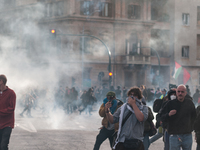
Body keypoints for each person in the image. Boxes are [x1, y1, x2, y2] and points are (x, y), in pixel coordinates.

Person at [160, 84, 196, 150]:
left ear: (185, 93)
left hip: (187, 135)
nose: (180, 93)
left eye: (182, 92)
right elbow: (161, 116)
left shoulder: (189, 103)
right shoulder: (170, 104)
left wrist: (191, 127)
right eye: (178, 91)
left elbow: (194, 117)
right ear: (176, 92)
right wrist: (168, 114)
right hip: (174, 135)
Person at [0, 74, 16, 150]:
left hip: (7, 124)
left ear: (1, 82)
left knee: (3, 146)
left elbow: (11, 108)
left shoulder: (11, 93)